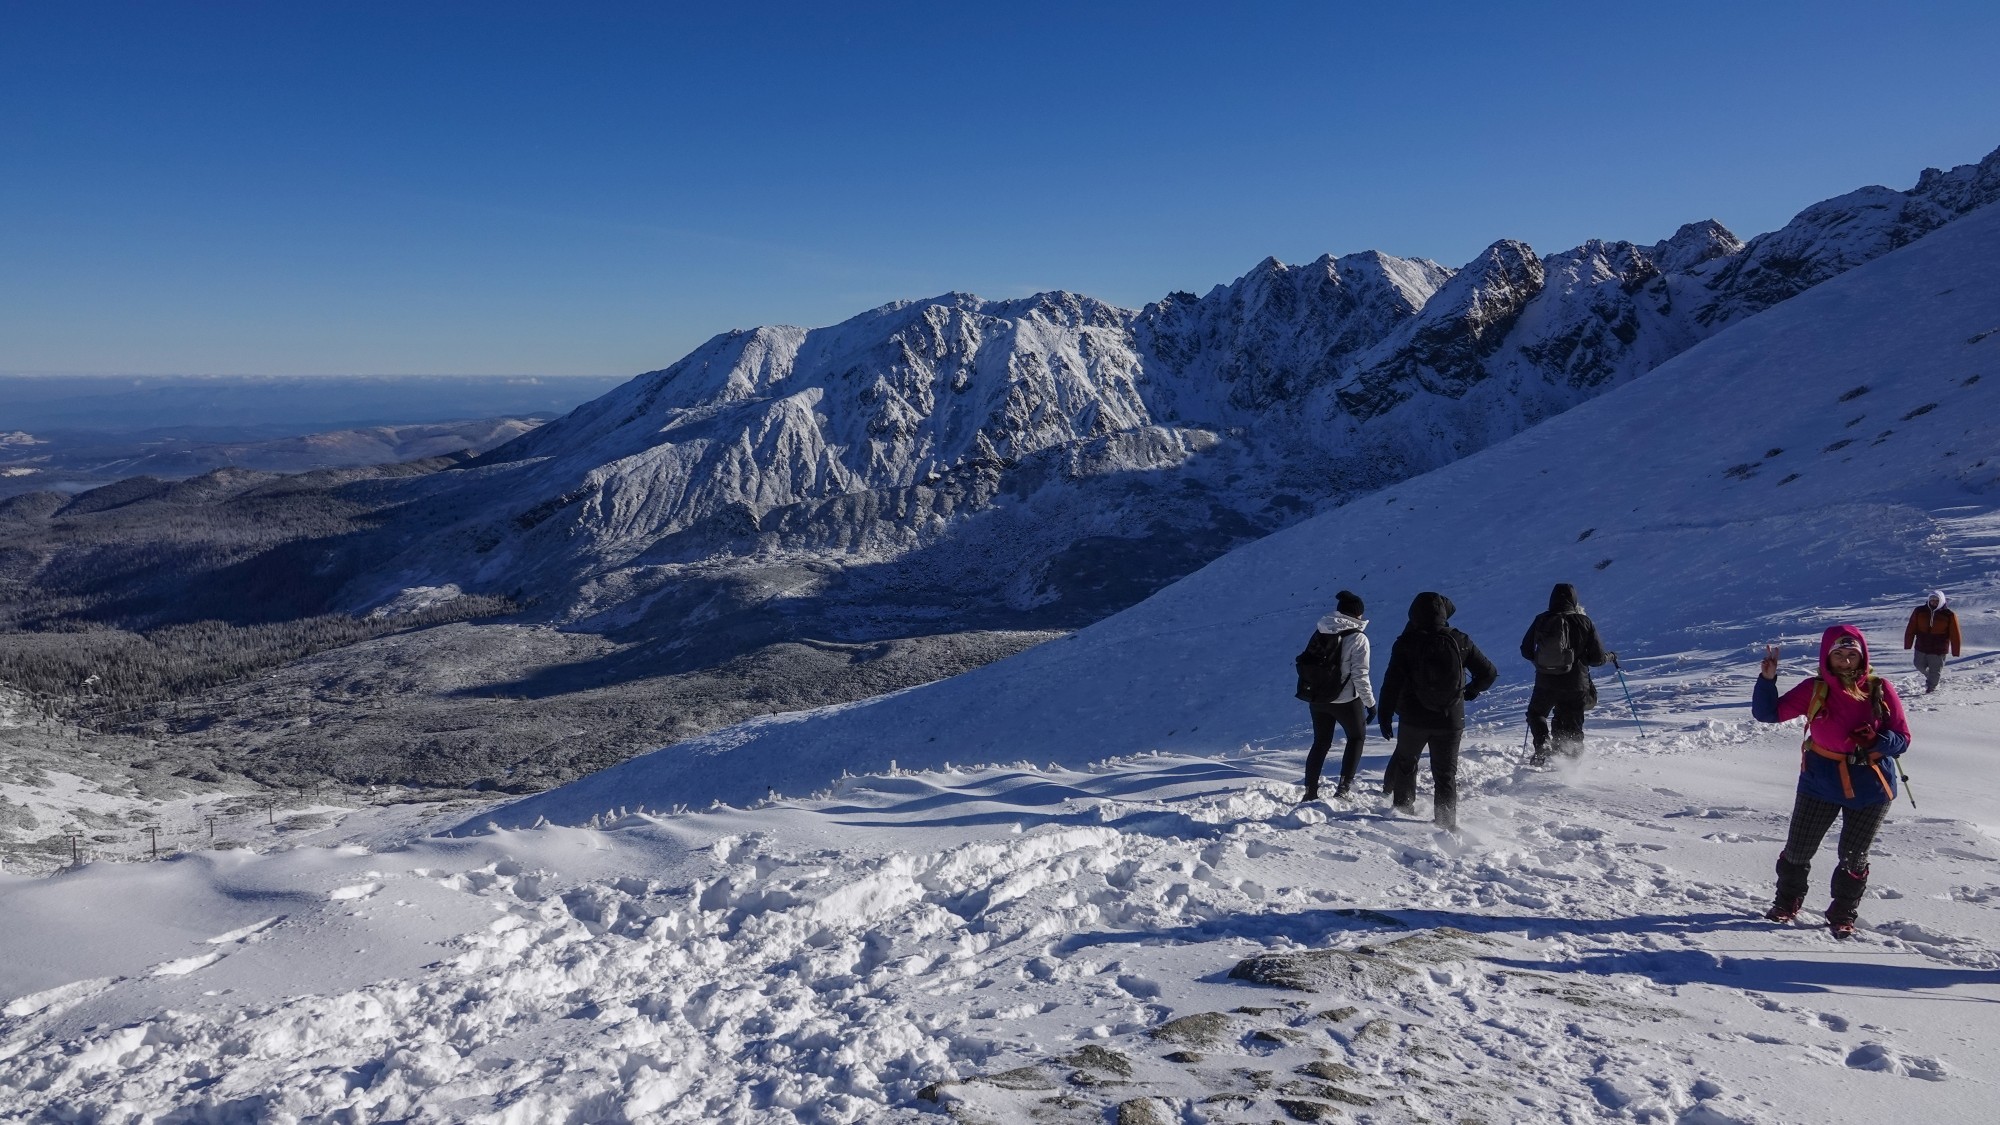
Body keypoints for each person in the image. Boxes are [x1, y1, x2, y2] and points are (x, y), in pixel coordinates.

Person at [1751, 626, 1911, 939]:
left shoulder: (1879, 688)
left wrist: (1878, 740)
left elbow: (1902, 738)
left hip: (1871, 786)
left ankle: (1842, 912)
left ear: (1863, 657)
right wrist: (1767, 680)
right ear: (1827, 656)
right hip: (1819, 781)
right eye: (1839, 654)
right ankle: (1786, 902)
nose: (1846, 660)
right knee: (1798, 850)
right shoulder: (1815, 689)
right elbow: (1767, 713)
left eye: (1852, 654)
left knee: (1854, 856)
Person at [1377, 592, 1497, 830]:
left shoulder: (1406, 642)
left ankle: (1403, 812)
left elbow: (1392, 682)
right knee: (1445, 775)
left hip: (1413, 719)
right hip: (1450, 719)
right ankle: (1445, 823)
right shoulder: (1459, 639)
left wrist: (1385, 714)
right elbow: (1489, 673)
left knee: (1406, 764)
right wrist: (1470, 691)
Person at [1294, 590, 1376, 801]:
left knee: (1320, 743)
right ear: (1357, 614)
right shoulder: (1358, 638)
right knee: (1356, 738)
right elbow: (1360, 675)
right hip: (1346, 700)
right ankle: (1343, 789)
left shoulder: (1321, 629)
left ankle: (1310, 792)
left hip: (1318, 698)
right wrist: (1370, 703)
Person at [1519, 583, 1612, 766]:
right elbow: (1597, 659)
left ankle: (1543, 743)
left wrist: (1542, 662)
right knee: (1572, 722)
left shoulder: (1541, 620)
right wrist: (1610, 657)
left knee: (1536, 713)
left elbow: (1525, 650)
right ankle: (1572, 766)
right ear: (1574, 600)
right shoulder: (1584, 622)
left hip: (1546, 681)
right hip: (1575, 683)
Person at [1903, 590, 1962, 694]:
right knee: (1918, 664)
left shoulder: (1949, 615)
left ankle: (1931, 688)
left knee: (1935, 670)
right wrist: (1908, 643)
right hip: (1921, 645)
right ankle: (1930, 677)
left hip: (1938, 648)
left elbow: (1955, 633)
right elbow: (1911, 627)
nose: (1934, 602)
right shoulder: (1919, 611)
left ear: (1942, 600)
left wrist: (1955, 650)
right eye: (1932, 599)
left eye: (1937, 600)